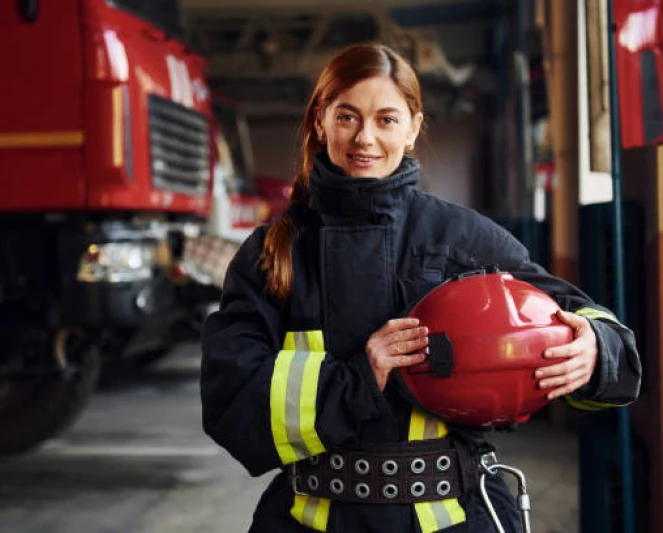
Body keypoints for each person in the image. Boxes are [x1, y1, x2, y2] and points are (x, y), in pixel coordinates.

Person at [200, 43, 641, 533]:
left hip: (456, 520)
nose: (364, 137)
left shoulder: (465, 240)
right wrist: (358, 378)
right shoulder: (272, 254)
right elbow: (229, 398)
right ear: (320, 121)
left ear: (412, 128)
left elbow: (599, 329)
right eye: (347, 117)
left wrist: (594, 347)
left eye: (386, 119)